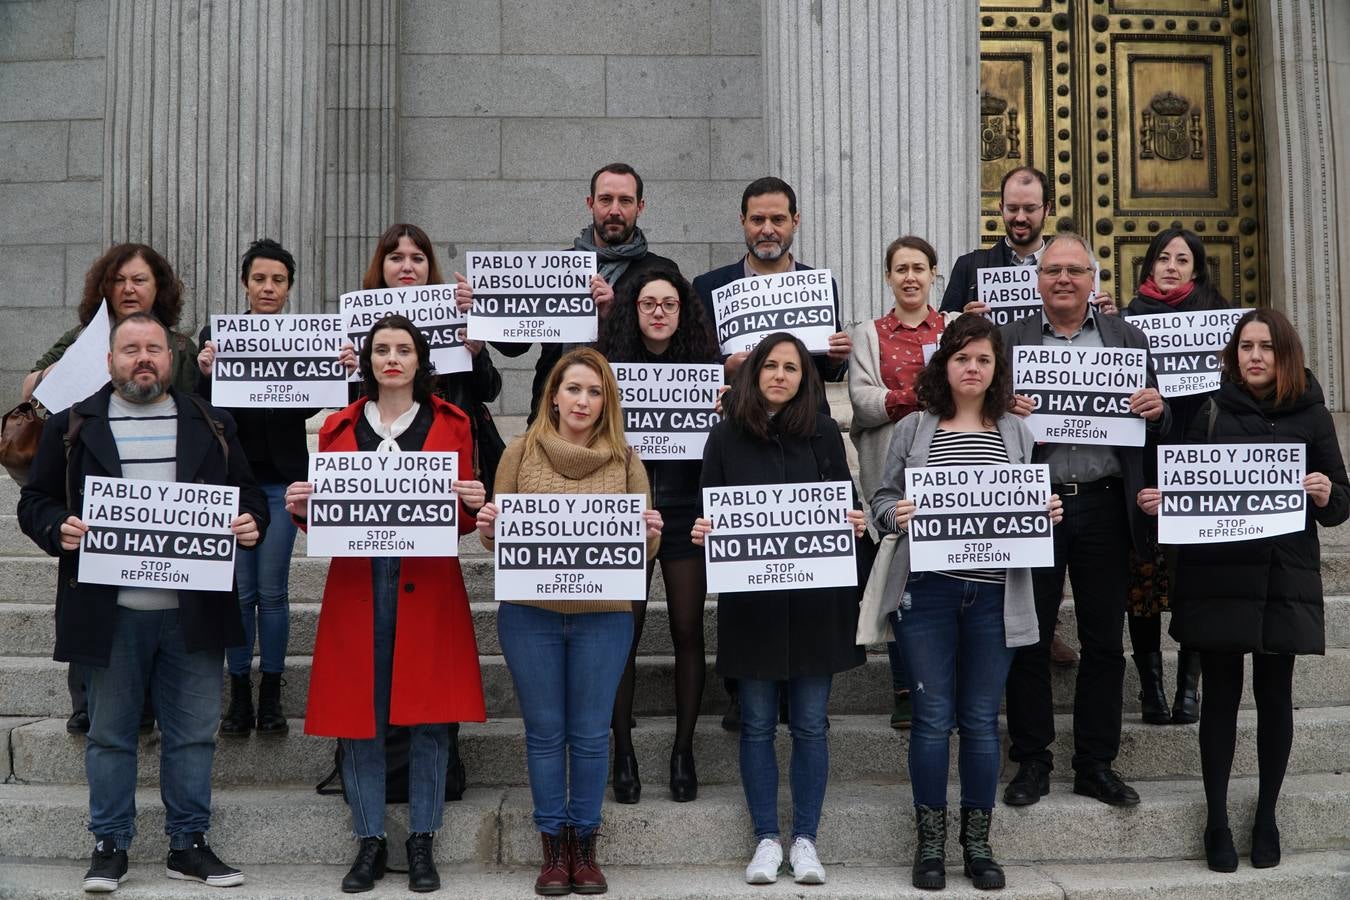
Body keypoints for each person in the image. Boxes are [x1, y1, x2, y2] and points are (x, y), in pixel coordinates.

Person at [18, 312, 266, 892]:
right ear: (110, 361)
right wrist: (60, 529)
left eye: (154, 347)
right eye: (131, 349)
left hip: (193, 612)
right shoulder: (73, 426)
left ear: (171, 357)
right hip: (109, 614)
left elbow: (250, 493)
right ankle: (109, 845)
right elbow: (35, 501)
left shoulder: (212, 422)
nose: (144, 358)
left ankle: (189, 843)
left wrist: (251, 519)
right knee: (110, 733)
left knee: (194, 733)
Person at [1138, 308, 1349, 873]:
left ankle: (1267, 816)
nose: (1254, 356)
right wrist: (1162, 502)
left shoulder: (1312, 414)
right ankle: (1215, 820)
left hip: (1283, 577)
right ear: (1233, 355)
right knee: (1221, 701)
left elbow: (1341, 506)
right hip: (1218, 577)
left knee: (1275, 698)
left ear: (1285, 355)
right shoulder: (1206, 408)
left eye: (1266, 347)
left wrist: (1327, 491)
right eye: (1245, 347)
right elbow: (1179, 481)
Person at [285, 314, 487, 893]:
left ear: (421, 360)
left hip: (429, 583)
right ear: (367, 360)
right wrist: (302, 508)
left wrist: (472, 500)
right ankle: (370, 838)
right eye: (381, 349)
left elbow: (463, 520)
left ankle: (422, 839)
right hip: (357, 585)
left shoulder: (453, 422)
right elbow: (324, 520)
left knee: (428, 715)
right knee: (359, 713)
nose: (391, 358)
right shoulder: (336, 427)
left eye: (403, 349)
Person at [864, 314, 1062, 890]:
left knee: (979, 721)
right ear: (944, 365)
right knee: (930, 719)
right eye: (961, 358)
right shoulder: (914, 427)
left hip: (996, 597)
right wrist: (889, 515)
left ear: (996, 368)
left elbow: (1029, 504)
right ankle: (930, 844)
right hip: (926, 594)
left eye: (982, 359)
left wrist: (1044, 514)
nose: (971, 368)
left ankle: (977, 843)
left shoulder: (1017, 433)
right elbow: (881, 495)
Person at [475, 347, 662, 896]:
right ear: (552, 395)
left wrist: (651, 530)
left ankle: (586, 845)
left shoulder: (626, 457)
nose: (583, 400)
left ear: (607, 402)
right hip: (530, 616)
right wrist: (488, 524)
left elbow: (644, 550)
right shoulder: (518, 452)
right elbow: (494, 538)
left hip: (603, 618)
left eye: (594, 391)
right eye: (573, 388)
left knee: (588, 735)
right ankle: (552, 848)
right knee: (544, 734)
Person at [999, 233, 1169, 809]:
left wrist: (1157, 409)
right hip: (1032, 502)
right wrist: (1003, 408)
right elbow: (973, 417)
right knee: (1029, 636)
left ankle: (1095, 762)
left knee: (1103, 640)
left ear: (1093, 280)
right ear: (1037, 280)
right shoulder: (1009, 340)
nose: (1064, 279)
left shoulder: (1127, 337)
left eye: (1075, 270)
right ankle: (1032, 760)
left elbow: (1158, 420)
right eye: (1053, 271)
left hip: (1103, 503)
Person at [691, 332, 867, 887]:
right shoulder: (723, 437)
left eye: (792, 367)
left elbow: (844, 505)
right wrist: (704, 531)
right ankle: (767, 839)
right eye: (771, 365)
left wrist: (854, 524)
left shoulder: (822, 433)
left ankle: (807, 840)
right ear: (754, 372)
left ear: (805, 378)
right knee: (759, 724)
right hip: (754, 604)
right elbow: (710, 510)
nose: (781, 375)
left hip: (816, 604)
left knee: (812, 725)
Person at [339, 223, 502, 791]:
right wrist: (342, 370)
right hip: (373, 516)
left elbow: (488, 387)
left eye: (416, 257)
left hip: (441, 472)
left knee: (429, 651)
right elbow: (345, 429)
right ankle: (363, 766)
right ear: (380, 267)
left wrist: (475, 340)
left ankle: (438, 766)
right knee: (368, 653)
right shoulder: (361, 330)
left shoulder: (458, 320)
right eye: (394, 257)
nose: (405, 266)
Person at [691, 176, 853, 728]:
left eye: (777, 219)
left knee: (801, 563)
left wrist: (838, 354)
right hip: (741, 437)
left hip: (807, 436)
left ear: (795, 222)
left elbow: (824, 369)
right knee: (751, 568)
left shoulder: (818, 286)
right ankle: (746, 691)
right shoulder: (708, 286)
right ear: (742, 222)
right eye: (757, 219)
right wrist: (725, 368)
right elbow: (690, 364)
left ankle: (797, 688)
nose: (767, 229)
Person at [25, 243, 198, 738]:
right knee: (90, 595)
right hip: (92, 482)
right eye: (119, 280)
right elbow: (30, 388)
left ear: (158, 288)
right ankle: (88, 701)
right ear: (105, 287)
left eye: (139, 279)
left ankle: (148, 701)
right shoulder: (80, 339)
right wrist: (61, 372)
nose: (129, 288)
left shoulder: (180, 346)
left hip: (164, 492)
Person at [596, 268, 720, 804]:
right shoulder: (607, 371)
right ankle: (622, 751)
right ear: (632, 309)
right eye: (648, 303)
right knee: (625, 631)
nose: (659, 312)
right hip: (628, 513)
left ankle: (682, 750)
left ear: (683, 310)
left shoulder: (707, 369)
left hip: (687, 511)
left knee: (688, 629)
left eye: (669, 303)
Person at [196, 239, 310, 737]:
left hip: (283, 483)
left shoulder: (307, 336)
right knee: (239, 593)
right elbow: (203, 410)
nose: (268, 288)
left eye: (278, 280)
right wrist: (204, 374)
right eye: (260, 279)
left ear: (288, 288)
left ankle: (273, 690)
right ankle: (239, 692)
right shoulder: (216, 337)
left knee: (273, 591)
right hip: (232, 483)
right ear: (245, 283)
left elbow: (310, 404)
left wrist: (343, 372)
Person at [1120, 227, 1231, 726]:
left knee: (1193, 580)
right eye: (1162, 257)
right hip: (1141, 464)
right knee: (1143, 578)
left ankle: (1190, 687)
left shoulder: (1220, 323)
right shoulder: (1123, 324)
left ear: (1196, 268)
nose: (1171, 266)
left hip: (1198, 466)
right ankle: (1151, 690)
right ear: (1148, 265)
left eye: (1181, 259)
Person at [848, 235, 947, 729]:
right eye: (900, 268)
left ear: (934, 274)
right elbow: (863, 401)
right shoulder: (868, 333)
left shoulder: (953, 330)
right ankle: (905, 687)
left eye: (919, 268)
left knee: (937, 578)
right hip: (889, 468)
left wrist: (904, 396)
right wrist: (923, 396)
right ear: (887, 276)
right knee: (899, 575)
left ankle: (942, 683)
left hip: (948, 472)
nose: (910, 277)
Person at [491, 163, 681, 417]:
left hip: (626, 418)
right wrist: (483, 309)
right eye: (605, 199)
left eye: (625, 201)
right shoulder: (555, 268)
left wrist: (615, 314)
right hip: (552, 416)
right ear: (590, 203)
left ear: (640, 207)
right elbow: (515, 346)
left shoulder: (661, 272)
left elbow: (677, 349)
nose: (615, 210)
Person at [939, 167, 1052, 314]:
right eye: (1012, 209)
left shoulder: (1070, 271)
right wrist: (961, 322)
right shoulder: (967, 267)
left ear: (1047, 209)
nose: (1020, 218)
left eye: (1030, 209)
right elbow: (943, 334)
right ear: (1001, 208)